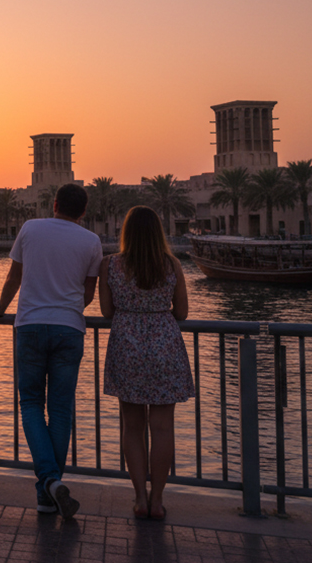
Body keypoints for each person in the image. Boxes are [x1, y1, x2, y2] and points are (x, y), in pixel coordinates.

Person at [0, 183, 102, 519]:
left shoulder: (31, 229)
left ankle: (48, 484)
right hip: (69, 329)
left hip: (30, 326)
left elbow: (13, 278)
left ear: (54, 204)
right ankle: (49, 492)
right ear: (84, 212)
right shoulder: (92, 242)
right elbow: (88, 295)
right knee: (61, 411)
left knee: (31, 403)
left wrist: (0, 310)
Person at [99, 205, 193, 521]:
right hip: (165, 345)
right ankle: (158, 499)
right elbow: (182, 313)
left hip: (127, 345)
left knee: (132, 426)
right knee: (163, 428)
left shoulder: (110, 265)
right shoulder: (172, 265)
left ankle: (139, 497)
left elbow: (106, 311)